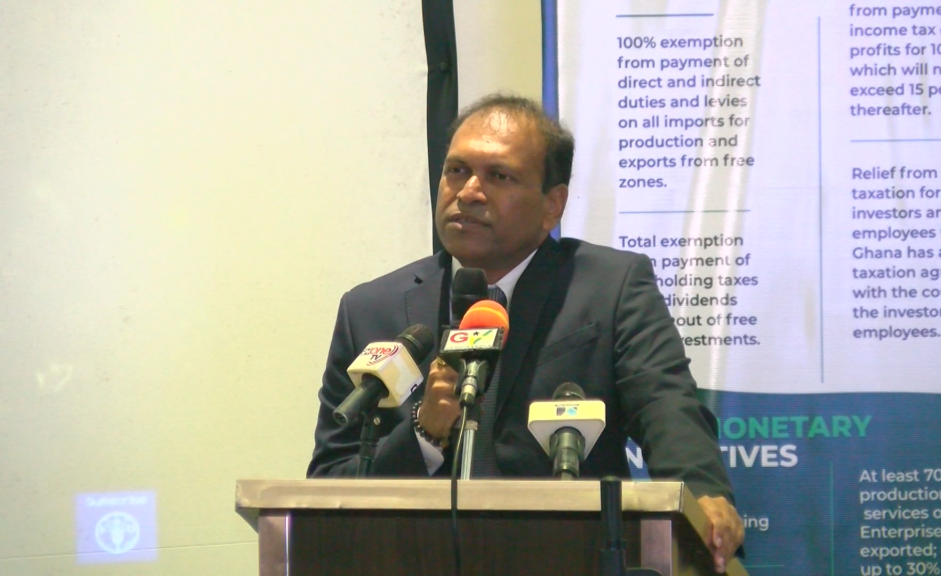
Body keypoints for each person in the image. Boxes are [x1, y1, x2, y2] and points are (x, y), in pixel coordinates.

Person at [308, 94, 744, 572]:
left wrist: (703, 495)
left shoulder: (609, 288)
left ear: (552, 205)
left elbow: (665, 405)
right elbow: (332, 479)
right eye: (456, 170)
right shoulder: (372, 310)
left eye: (499, 176)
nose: (469, 192)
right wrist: (424, 434)